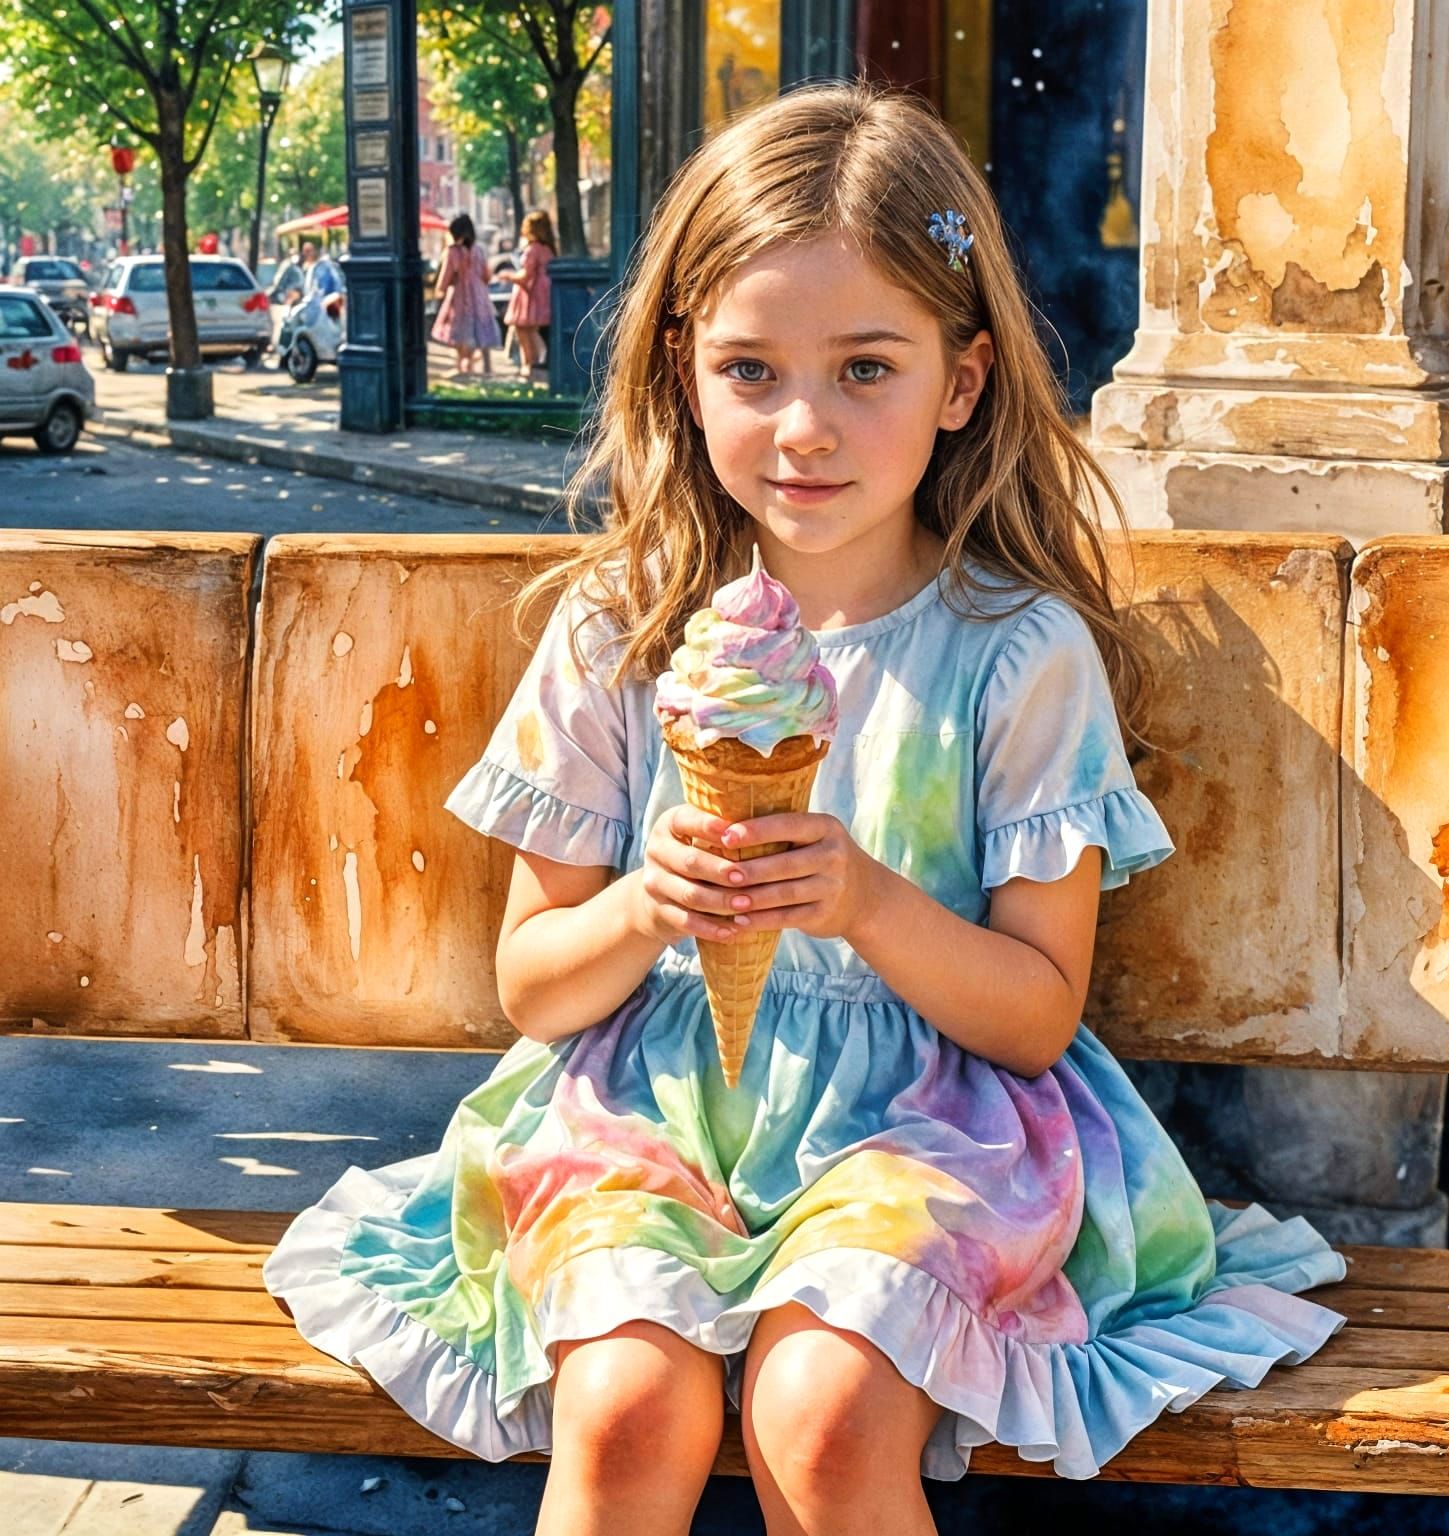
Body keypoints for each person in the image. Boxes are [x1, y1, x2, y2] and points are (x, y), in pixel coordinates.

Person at [265, 83, 1348, 1534]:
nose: (804, 426)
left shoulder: (1014, 653)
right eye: (752, 370)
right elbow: (531, 982)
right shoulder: (620, 631)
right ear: (683, 372)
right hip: (649, 1119)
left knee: (824, 1416)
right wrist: (651, 902)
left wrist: (865, 902)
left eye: (865, 369)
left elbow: (1036, 1014)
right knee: (626, 1407)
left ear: (960, 381)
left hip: (928, 1132)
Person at [431, 212, 500, 375]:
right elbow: (487, 275)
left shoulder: (452, 252)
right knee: (482, 326)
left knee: (459, 329)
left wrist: (439, 290)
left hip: (460, 296)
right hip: (479, 294)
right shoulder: (479, 250)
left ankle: (462, 366)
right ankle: (487, 367)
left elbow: (445, 277)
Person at [502, 208, 554, 379]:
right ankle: (532, 365)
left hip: (530, 294)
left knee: (523, 328)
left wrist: (508, 276)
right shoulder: (548, 249)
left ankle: (528, 366)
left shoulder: (532, 249)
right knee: (532, 330)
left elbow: (526, 275)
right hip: (543, 293)